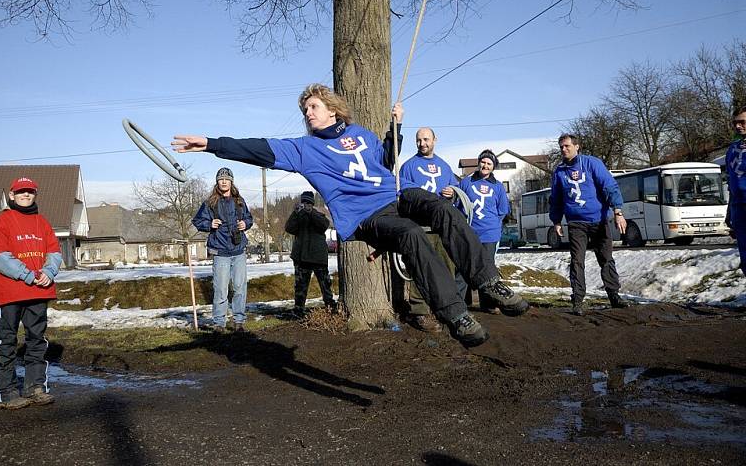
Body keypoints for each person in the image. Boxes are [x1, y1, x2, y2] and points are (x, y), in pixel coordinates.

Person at [174, 84, 528, 347]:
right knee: (410, 235)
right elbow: (257, 148)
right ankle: (455, 315)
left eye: (313, 107)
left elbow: (386, 161)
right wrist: (210, 144)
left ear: (332, 109)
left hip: (395, 195)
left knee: (441, 208)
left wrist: (395, 131)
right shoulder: (303, 148)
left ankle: (488, 282)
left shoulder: (361, 134)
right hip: (366, 216)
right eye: (305, 111)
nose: (308, 114)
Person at [0, 177, 62, 410]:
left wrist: (49, 272)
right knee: (7, 340)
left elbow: (54, 252)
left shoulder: (43, 223)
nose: (25, 195)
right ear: (12, 195)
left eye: (29, 192)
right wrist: (29, 275)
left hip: (40, 291)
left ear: (34, 195)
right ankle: (5, 392)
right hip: (10, 292)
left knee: (36, 340)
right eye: (21, 192)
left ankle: (35, 387)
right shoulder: (2, 221)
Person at [549, 134, 629, 316]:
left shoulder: (592, 163)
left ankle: (614, 295)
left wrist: (618, 211)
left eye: (567, 146)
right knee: (577, 261)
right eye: (561, 147)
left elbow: (609, 186)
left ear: (577, 147)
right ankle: (577, 300)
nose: (564, 149)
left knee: (606, 258)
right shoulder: (559, 171)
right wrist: (556, 221)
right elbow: (556, 199)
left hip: (599, 220)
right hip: (576, 223)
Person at [398, 127, 459, 332]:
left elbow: (456, 193)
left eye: (426, 139)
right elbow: (402, 196)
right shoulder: (408, 167)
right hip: (419, 229)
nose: (422, 143)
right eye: (418, 140)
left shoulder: (445, 167)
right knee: (420, 269)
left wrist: (452, 192)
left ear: (435, 140)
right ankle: (420, 312)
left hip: (442, 228)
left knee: (446, 268)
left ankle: (447, 309)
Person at [192, 167, 253, 332]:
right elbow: (197, 220)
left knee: (240, 288)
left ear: (231, 181)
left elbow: (249, 218)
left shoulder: (239, 201)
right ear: (217, 182)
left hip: (239, 251)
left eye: (227, 178)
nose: (224, 181)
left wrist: (245, 224)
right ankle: (219, 323)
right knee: (221, 289)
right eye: (221, 179)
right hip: (220, 252)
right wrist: (209, 224)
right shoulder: (210, 203)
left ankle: (239, 321)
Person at [458, 150, 510, 310]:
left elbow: (503, 210)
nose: (485, 165)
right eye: (483, 162)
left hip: (490, 234)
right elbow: (458, 205)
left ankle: (488, 303)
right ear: (478, 162)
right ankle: (461, 303)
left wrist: (492, 224)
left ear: (493, 167)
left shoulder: (498, 186)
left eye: (489, 163)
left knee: (487, 269)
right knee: (464, 266)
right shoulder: (467, 182)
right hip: (469, 232)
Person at [285, 190, 336, 315]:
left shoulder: (318, 215)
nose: (306, 205)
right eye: (304, 202)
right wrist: (296, 213)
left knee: (325, 285)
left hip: (318, 257)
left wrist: (311, 212)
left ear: (312, 204)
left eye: (308, 203)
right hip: (301, 257)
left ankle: (330, 307)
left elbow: (324, 225)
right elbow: (289, 228)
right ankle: (299, 309)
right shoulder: (298, 216)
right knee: (300, 286)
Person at [726, 107, 746, 275]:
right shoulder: (732, 149)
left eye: (742, 122)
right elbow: (731, 183)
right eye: (736, 123)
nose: (738, 126)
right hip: (738, 208)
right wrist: (729, 214)